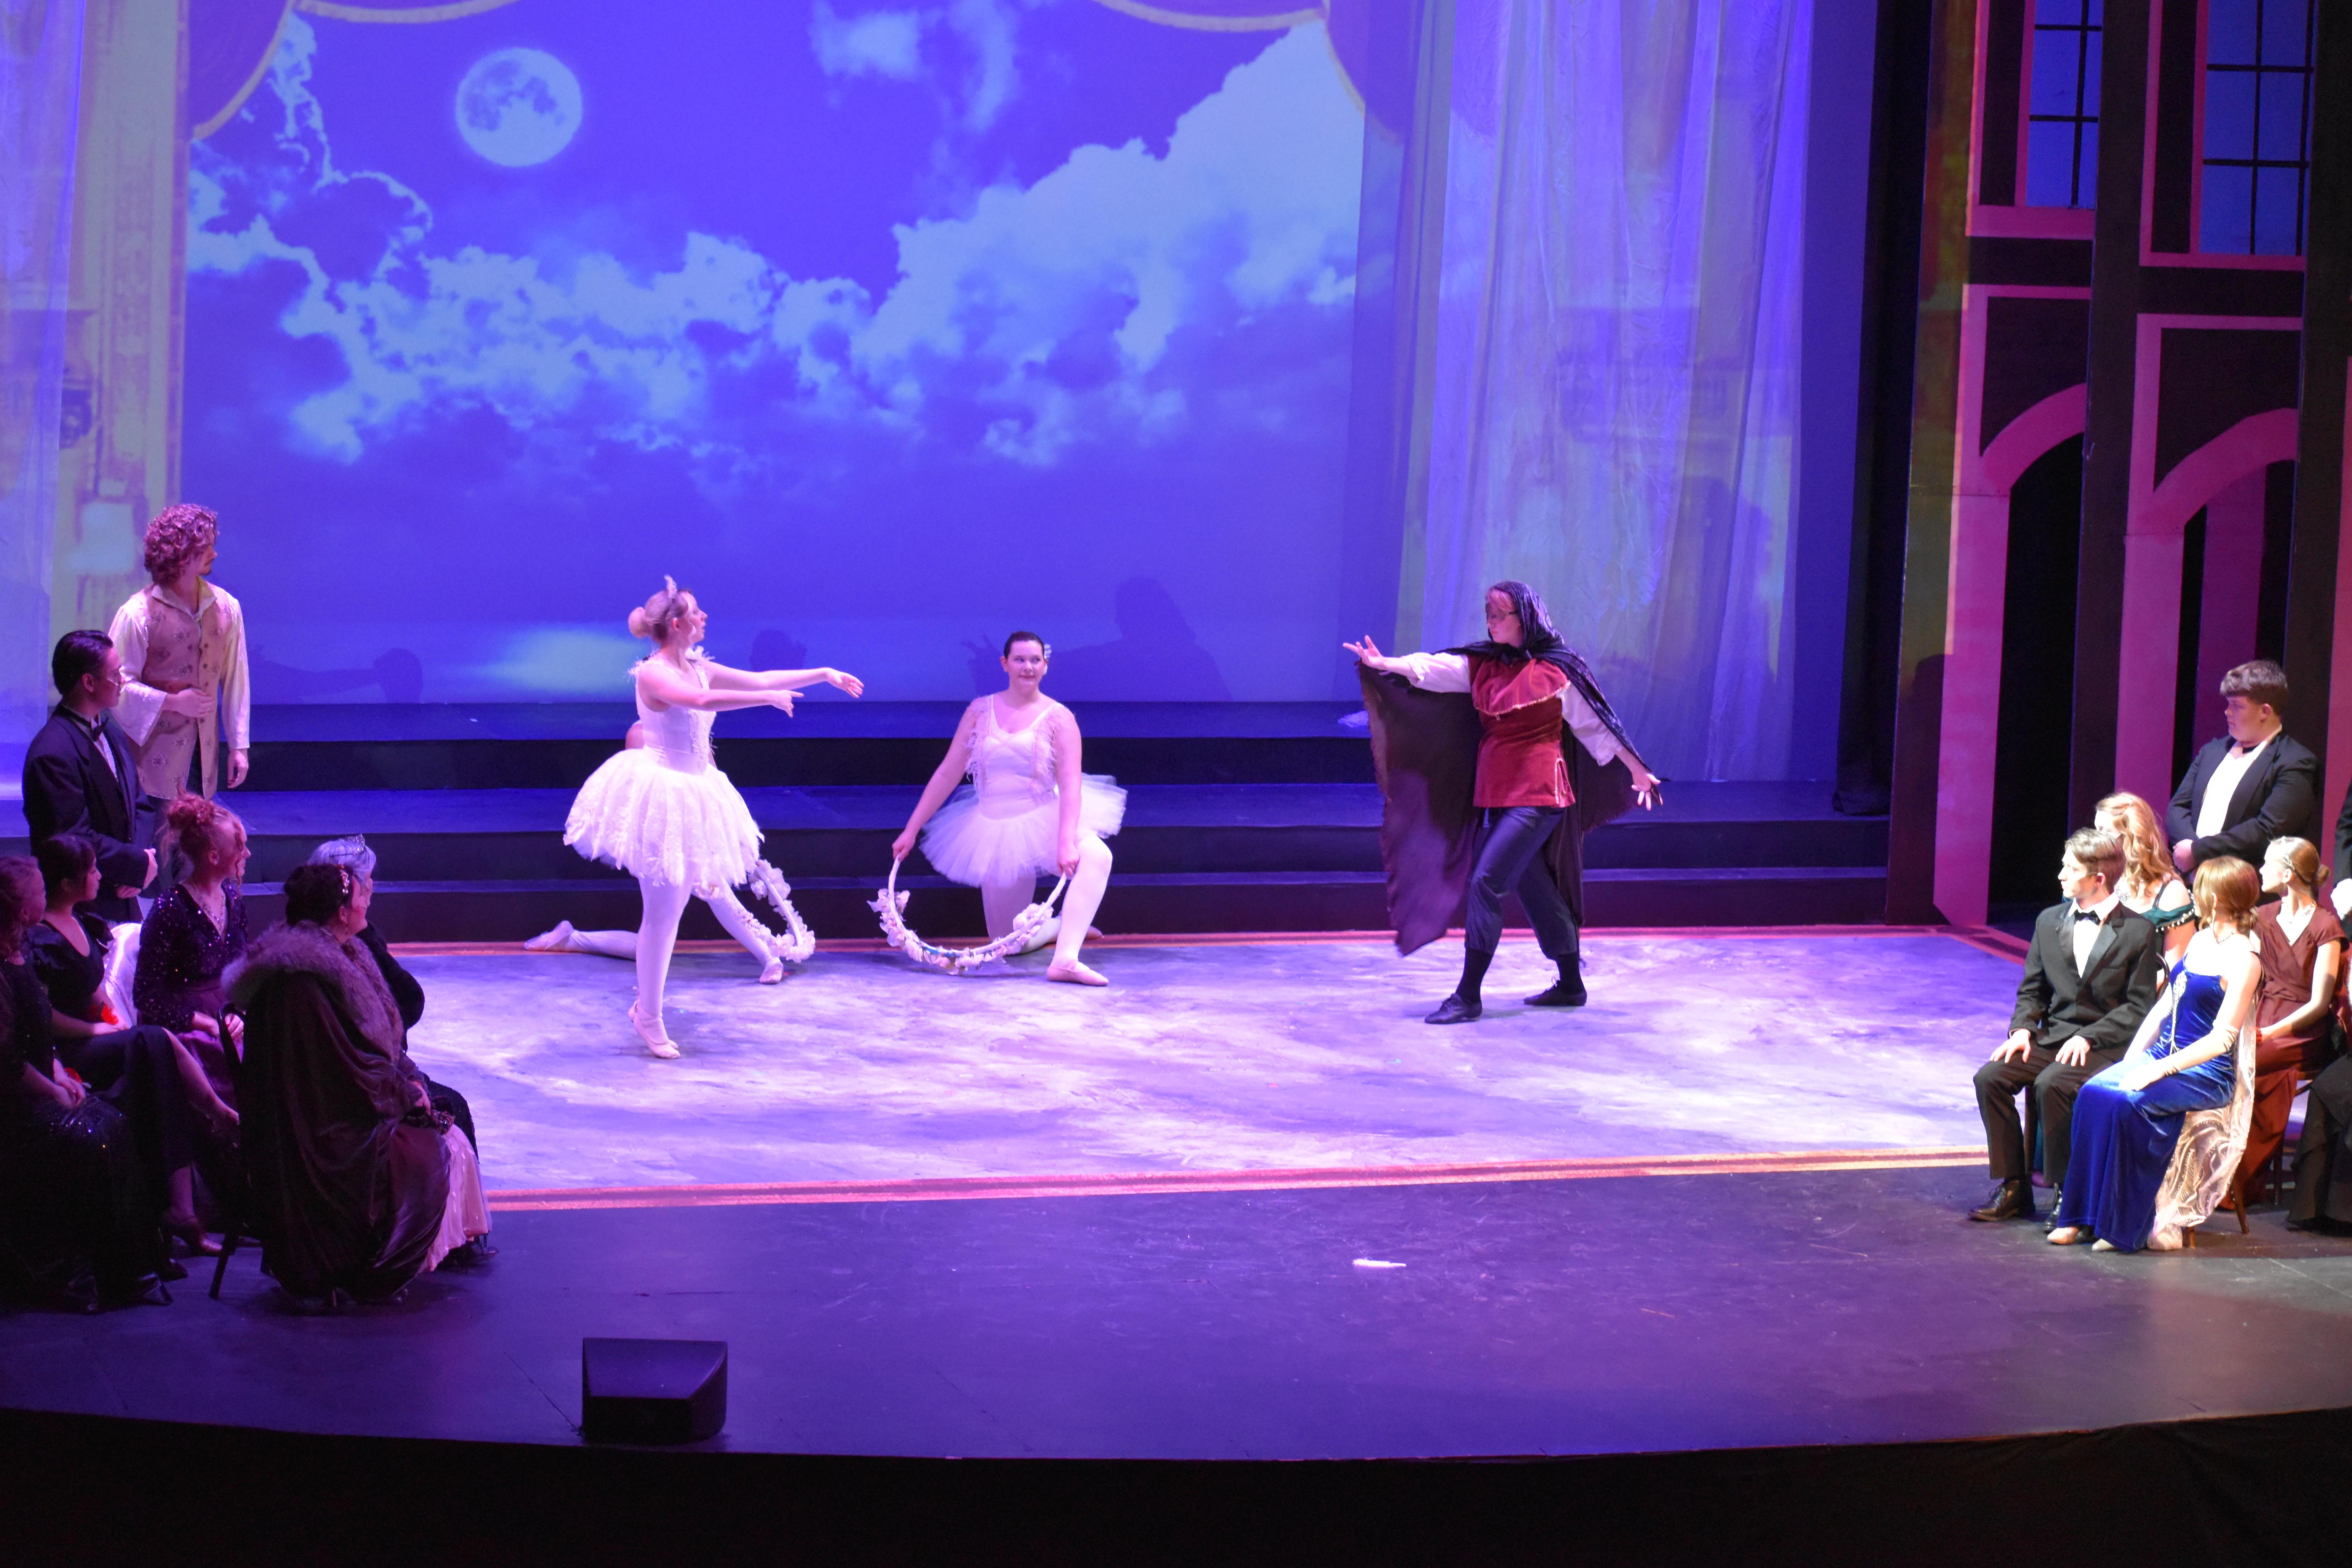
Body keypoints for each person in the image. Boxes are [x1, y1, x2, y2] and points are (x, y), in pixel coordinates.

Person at [563, 578, 863, 1057]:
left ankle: (647, 1010)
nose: (704, 617)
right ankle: (649, 1015)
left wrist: (824, 673)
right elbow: (701, 702)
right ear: (677, 623)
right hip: (663, 794)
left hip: (698, 789)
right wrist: (764, 700)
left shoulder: (698, 666)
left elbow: (760, 678)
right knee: (663, 915)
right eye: (696, 611)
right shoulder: (652, 673)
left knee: (673, 910)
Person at [1345, 581, 1660, 1024]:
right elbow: (1433, 668)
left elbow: (1596, 725)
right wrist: (1384, 664)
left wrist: (1636, 768)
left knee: (1486, 882)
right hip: (1499, 793)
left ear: (1524, 618)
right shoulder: (1485, 667)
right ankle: (1571, 984)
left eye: (1501, 615)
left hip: (1541, 794)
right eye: (1488, 614)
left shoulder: (1556, 671)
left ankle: (1468, 995)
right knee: (1535, 886)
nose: (1492, 622)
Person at [229, 863, 490, 1309]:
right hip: (323, 1132)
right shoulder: (302, 984)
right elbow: (342, 1072)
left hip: (345, 1104)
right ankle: (372, 1266)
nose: (367, 902)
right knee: (432, 1149)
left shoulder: (346, 955)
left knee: (450, 1116)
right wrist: (405, 1094)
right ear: (341, 912)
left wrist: (408, 1076)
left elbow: (377, 1043)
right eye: (359, 896)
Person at [27, 835, 236, 1256]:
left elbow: (94, 991)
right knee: (155, 1039)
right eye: (92, 871)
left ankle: (182, 1209)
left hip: (97, 1039)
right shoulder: (40, 940)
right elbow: (45, 1018)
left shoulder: (81, 923)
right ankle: (217, 1112)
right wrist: (100, 1031)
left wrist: (112, 1019)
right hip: (67, 1050)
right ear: (68, 883)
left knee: (159, 1068)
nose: (100, 876)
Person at [2050, 856, 2259, 1252]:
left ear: (2217, 898)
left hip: (2205, 1072)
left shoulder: (2245, 960)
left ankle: (2121, 1227)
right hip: (2164, 1055)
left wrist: (2160, 1070)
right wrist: (2132, 1061)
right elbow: (2164, 1008)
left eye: (2200, 889)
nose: (2193, 896)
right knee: (2094, 1092)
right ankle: (2078, 1217)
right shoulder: (2201, 940)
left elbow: (2223, 1040)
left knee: (2132, 1104)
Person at [891, 632, 1125, 986]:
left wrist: (1066, 842)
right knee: (1008, 943)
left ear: (1045, 666)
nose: (1028, 667)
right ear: (1005, 664)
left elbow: (1071, 785)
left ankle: (1065, 960)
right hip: (995, 827)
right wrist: (911, 830)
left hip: (1044, 818)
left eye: (1035, 660)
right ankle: (1059, 926)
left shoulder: (1060, 718)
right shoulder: (980, 711)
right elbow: (948, 772)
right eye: (1020, 660)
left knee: (1097, 855)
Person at [1969, 828, 2166, 1222]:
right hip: (2055, 1038)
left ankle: (2067, 1192)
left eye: (2070, 868)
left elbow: (2138, 1007)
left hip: (2104, 1043)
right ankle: (2015, 1187)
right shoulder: (2049, 921)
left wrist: (2090, 1037)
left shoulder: (2137, 930)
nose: (2060, 874)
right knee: (1990, 1078)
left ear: (2098, 878)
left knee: (2052, 1084)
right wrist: (2023, 1029)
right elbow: (2033, 989)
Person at [0, 857, 169, 1310]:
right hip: (14, 1101)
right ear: (23, 910)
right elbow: (7, 1061)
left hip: (39, 1082)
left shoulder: (19, 953)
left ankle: (135, 1265)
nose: (46, 894)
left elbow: (38, 1036)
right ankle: (79, 1274)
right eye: (40, 890)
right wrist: (52, 1087)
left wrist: (58, 1071)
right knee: (95, 1137)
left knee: (116, 1123)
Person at [530, 725, 794, 984]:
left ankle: (572, 938)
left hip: (692, 835)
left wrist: (728, 839)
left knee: (660, 936)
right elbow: (638, 798)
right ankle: (769, 957)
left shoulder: (694, 728)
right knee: (678, 919)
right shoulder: (641, 734)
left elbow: (714, 789)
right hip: (661, 843)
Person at [304, 836, 477, 1151]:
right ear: (343, 896)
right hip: (356, 1090)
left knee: (454, 1106)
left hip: (383, 1071)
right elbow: (364, 1043)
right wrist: (405, 1087)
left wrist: (409, 1076)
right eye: (365, 882)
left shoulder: (356, 941)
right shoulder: (333, 953)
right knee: (455, 1111)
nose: (371, 889)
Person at [107, 503, 251, 800]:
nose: (214, 553)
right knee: (155, 826)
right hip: (152, 757)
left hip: (203, 753)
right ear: (181, 553)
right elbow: (115, 685)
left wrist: (239, 746)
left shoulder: (227, 608)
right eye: (205, 547)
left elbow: (236, 680)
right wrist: (171, 702)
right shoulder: (138, 613)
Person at [23, 630, 160, 926]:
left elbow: (140, 805)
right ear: (89, 682)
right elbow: (73, 837)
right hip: (81, 912)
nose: (123, 681)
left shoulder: (112, 733)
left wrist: (138, 864)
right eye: (116, 674)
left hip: (123, 899)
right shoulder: (52, 753)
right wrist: (134, 865)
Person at [2241, 838, 2342, 1203]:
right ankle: (2221, 1165)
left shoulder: (2325, 926)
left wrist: (2270, 1032)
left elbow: (2319, 1004)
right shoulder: (2262, 917)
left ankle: (2242, 1178)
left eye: (2268, 863)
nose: (2261, 870)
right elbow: (2251, 980)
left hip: (2302, 1028)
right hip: (2264, 1013)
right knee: (2230, 1055)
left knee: (2249, 1059)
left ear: (2287, 874)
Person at [133, 796, 251, 1104]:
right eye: (240, 847)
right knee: (224, 1059)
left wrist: (239, 1012)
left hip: (228, 1014)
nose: (248, 854)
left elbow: (245, 969)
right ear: (214, 856)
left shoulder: (233, 899)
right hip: (188, 1027)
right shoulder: (171, 908)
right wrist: (205, 1023)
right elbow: (146, 996)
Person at [2165, 660, 2319, 878]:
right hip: (2193, 879)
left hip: (2247, 886)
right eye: (2228, 704)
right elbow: (2178, 807)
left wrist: (2199, 852)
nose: (2227, 712)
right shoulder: (2213, 751)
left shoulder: (2295, 762)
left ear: (2265, 711)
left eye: (2237, 706)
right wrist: (2189, 852)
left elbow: (2268, 829)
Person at [2095, 793, 2194, 961]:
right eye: (2096, 831)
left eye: (2105, 833)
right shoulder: (2099, 881)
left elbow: (2173, 968)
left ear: (2131, 837)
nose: (2095, 841)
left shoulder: (2171, 892)